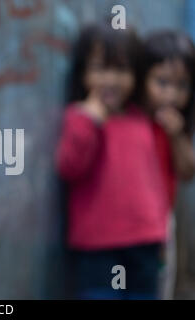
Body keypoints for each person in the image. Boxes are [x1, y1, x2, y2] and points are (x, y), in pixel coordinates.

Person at [56, 22, 166, 299]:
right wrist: (89, 122)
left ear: (135, 74)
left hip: (145, 242)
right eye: (100, 69)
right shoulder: (80, 117)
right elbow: (70, 168)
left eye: (121, 69)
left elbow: (152, 183)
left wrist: (159, 230)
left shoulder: (140, 119)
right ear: (83, 73)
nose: (111, 79)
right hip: (98, 246)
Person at [137, 30, 195, 299]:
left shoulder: (176, 129)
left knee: (158, 286)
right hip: (129, 223)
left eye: (182, 86)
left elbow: (187, 171)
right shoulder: (133, 120)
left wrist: (177, 135)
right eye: (162, 82)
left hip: (160, 226)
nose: (171, 94)